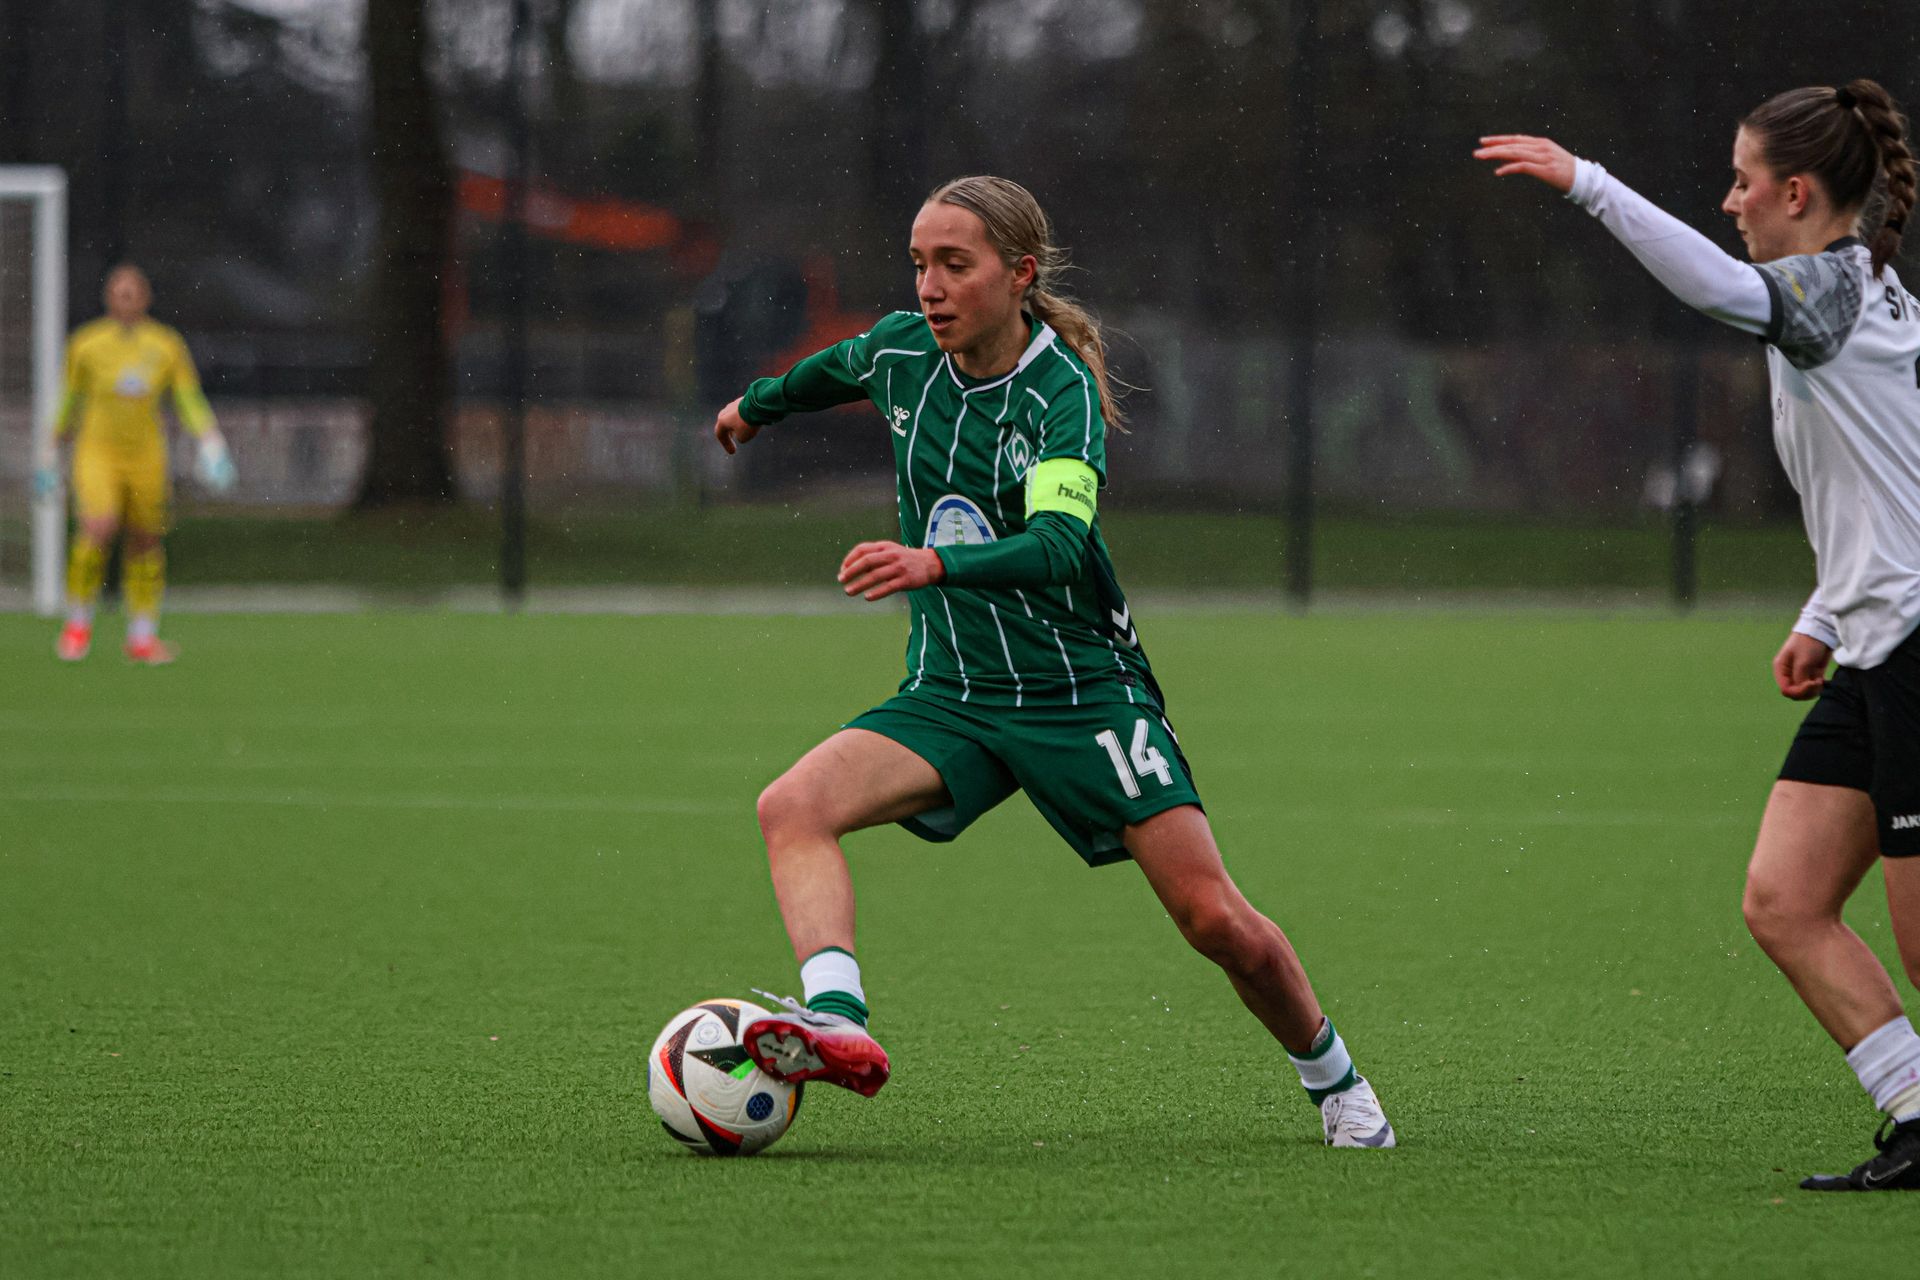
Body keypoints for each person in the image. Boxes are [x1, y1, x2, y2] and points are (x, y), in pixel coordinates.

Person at [708, 176, 1395, 1149]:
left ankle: (1336, 1080)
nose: (931, 286)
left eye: (956, 264)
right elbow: (835, 367)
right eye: (920, 264)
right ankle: (838, 1020)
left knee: (1213, 919)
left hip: (1081, 696)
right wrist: (754, 406)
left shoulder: (1057, 392)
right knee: (792, 806)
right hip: (953, 692)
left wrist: (935, 563)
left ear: (1019, 273)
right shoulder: (904, 351)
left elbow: (1060, 545)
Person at [1477, 79, 1920, 1191]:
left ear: (1797, 193)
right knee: (1785, 899)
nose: (1730, 201)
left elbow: (1719, 286)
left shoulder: (1828, 288)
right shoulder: (1856, 295)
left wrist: (1588, 184)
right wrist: (1826, 611)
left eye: (1742, 180)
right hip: (1876, 641)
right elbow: (1889, 484)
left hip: (1916, 648)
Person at [33, 264, 234, 664]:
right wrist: (48, 454)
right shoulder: (86, 344)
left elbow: (187, 397)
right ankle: (77, 624)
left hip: (146, 455)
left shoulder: (165, 344)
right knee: (98, 527)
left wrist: (212, 442)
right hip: (98, 452)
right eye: (119, 292)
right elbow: (69, 401)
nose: (126, 300)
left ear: (145, 298)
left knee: (146, 539)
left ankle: (142, 635)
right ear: (108, 297)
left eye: (133, 292)